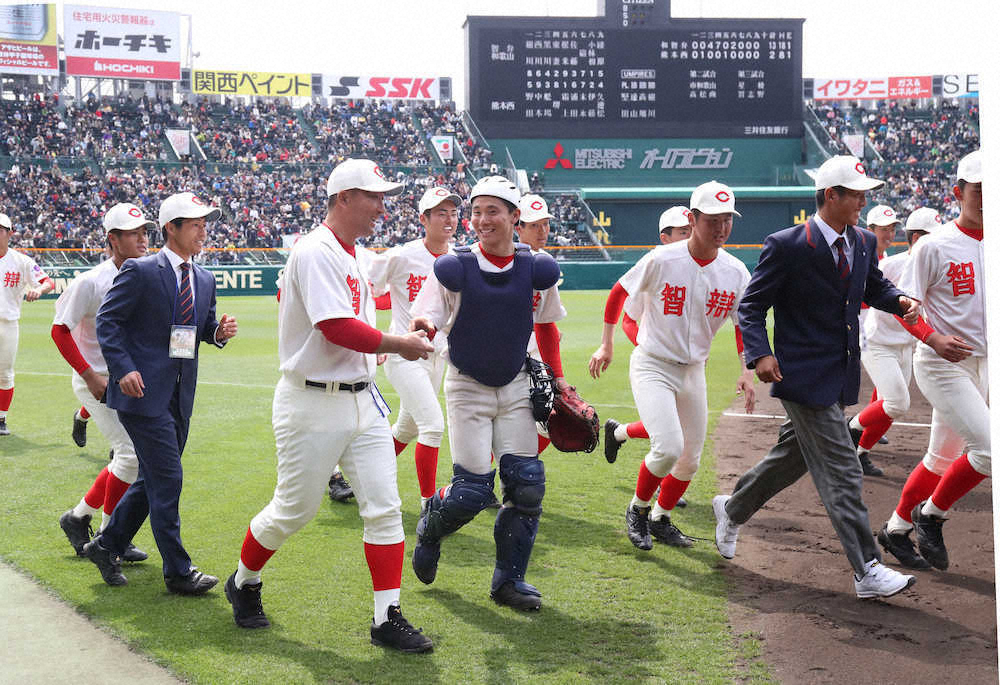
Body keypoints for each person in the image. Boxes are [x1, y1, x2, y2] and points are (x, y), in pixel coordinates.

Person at [224, 159, 435, 654]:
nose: (382, 207)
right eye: (374, 197)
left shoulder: (355, 253)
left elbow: (359, 322)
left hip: (363, 400)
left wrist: (401, 333)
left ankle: (386, 617)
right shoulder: (315, 249)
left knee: (385, 510)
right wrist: (399, 344)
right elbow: (335, 327)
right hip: (311, 400)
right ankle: (244, 580)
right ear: (344, 198)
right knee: (293, 511)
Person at [711, 155, 921, 599]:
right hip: (800, 375)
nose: (863, 202)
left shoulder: (863, 241)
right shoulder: (786, 245)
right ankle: (867, 568)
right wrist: (759, 354)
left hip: (839, 374)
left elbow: (873, 286)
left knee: (794, 456)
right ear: (831, 196)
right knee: (843, 468)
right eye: (856, 195)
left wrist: (899, 300)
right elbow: (752, 306)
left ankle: (733, 508)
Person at [409, 175, 565, 611]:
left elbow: (545, 327)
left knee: (527, 485)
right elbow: (426, 314)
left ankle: (508, 582)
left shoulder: (537, 268)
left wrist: (557, 380)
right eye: (476, 212)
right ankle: (431, 527)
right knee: (471, 492)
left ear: (515, 217)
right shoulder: (455, 267)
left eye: (492, 211)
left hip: (516, 382)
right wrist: (423, 327)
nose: (482, 220)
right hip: (467, 385)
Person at [83, 192, 238, 595]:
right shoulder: (140, 270)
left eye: (205, 224)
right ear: (171, 228)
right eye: (195, 224)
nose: (203, 231)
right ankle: (178, 571)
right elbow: (108, 322)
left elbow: (201, 329)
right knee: (168, 478)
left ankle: (106, 545)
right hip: (141, 395)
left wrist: (218, 333)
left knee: (153, 479)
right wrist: (123, 369)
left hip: (179, 396)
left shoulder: (204, 278)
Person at [589, 185, 755, 550]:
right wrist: (607, 343)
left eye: (727, 220)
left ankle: (660, 517)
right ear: (693, 219)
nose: (721, 228)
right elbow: (619, 292)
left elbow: (743, 323)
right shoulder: (663, 259)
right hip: (653, 364)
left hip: (693, 371)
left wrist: (747, 369)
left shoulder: (735, 271)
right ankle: (638, 509)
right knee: (667, 447)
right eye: (713, 220)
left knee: (690, 459)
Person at [876, 150, 986, 572]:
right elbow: (904, 309)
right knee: (989, 452)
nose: (987, 198)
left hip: (985, 363)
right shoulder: (934, 246)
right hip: (942, 363)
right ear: (958, 193)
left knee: (940, 459)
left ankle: (896, 529)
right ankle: (931, 514)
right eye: (978, 190)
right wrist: (932, 337)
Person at [56, 203, 156, 562]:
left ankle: (78, 517)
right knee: (129, 456)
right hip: (97, 379)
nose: (143, 238)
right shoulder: (91, 281)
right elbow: (60, 331)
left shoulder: (145, 274)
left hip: (128, 379)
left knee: (130, 458)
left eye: (144, 231)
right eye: (133, 233)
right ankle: (110, 536)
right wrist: (89, 376)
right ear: (113, 239)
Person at [368, 186, 459, 509]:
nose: (449, 219)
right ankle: (429, 506)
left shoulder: (458, 259)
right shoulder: (401, 255)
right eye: (441, 213)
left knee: (406, 429)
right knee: (432, 426)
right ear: (424, 219)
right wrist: (374, 339)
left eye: (453, 213)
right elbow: (366, 291)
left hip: (438, 356)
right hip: (404, 354)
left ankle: (361, 474)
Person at [847, 207, 942, 479]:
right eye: (930, 237)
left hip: (905, 345)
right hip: (878, 342)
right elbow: (876, 300)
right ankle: (850, 428)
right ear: (916, 238)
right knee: (897, 402)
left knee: (888, 408)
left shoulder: (934, 267)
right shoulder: (891, 265)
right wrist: (930, 337)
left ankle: (860, 453)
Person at [603, 205, 693, 468]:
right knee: (670, 434)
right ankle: (661, 484)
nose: (690, 236)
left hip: (689, 364)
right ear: (665, 238)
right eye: (683, 232)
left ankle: (618, 433)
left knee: (680, 427)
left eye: (691, 230)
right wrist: (650, 346)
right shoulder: (654, 267)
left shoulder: (702, 267)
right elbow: (628, 319)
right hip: (656, 363)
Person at [517, 193, 568, 455]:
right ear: (518, 227)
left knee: (548, 422)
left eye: (545, 224)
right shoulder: (507, 259)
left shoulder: (546, 262)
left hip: (536, 356)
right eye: (534, 225)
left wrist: (558, 375)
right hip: (507, 355)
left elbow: (546, 319)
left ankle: (518, 465)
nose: (543, 231)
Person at [0, 211, 55, 436]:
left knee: (5, 373)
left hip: (8, 323)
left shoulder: (21, 261)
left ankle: (1, 418)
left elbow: (48, 282)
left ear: (10, 233)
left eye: (0, 230)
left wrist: (38, 290)